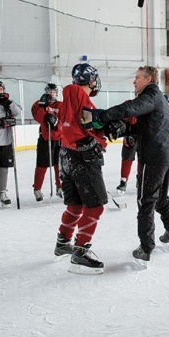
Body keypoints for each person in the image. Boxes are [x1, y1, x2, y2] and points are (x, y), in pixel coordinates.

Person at [89, 66, 169, 268]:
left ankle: (145, 248)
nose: (134, 81)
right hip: (166, 155)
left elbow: (130, 108)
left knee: (145, 201)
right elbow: (144, 126)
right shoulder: (158, 98)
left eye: (137, 78)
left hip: (154, 157)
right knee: (161, 198)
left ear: (148, 78)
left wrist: (102, 116)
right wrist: (124, 129)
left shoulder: (151, 95)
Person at [52, 63, 110, 275]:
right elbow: (87, 123)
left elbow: (76, 124)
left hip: (65, 156)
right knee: (95, 207)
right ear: (90, 80)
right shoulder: (80, 96)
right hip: (81, 159)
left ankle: (62, 242)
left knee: (75, 205)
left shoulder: (67, 97)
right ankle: (81, 251)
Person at [31, 83, 63, 201]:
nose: (51, 94)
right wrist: (42, 108)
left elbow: (66, 120)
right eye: (48, 91)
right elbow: (38, 117)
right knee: (42, 165)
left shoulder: (61, 105)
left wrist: (57, 124)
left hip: (60, 139)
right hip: (45, 139)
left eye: (53, 92)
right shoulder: (39, 104)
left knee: (59, 165)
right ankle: (37, 189)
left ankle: (60, 187)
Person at [116, 115, 137, 195]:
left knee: (142, 159)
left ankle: (140, 179)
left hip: (142, 136)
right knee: (127, 158)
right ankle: (123, 180)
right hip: (130, 136)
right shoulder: (129, 104)